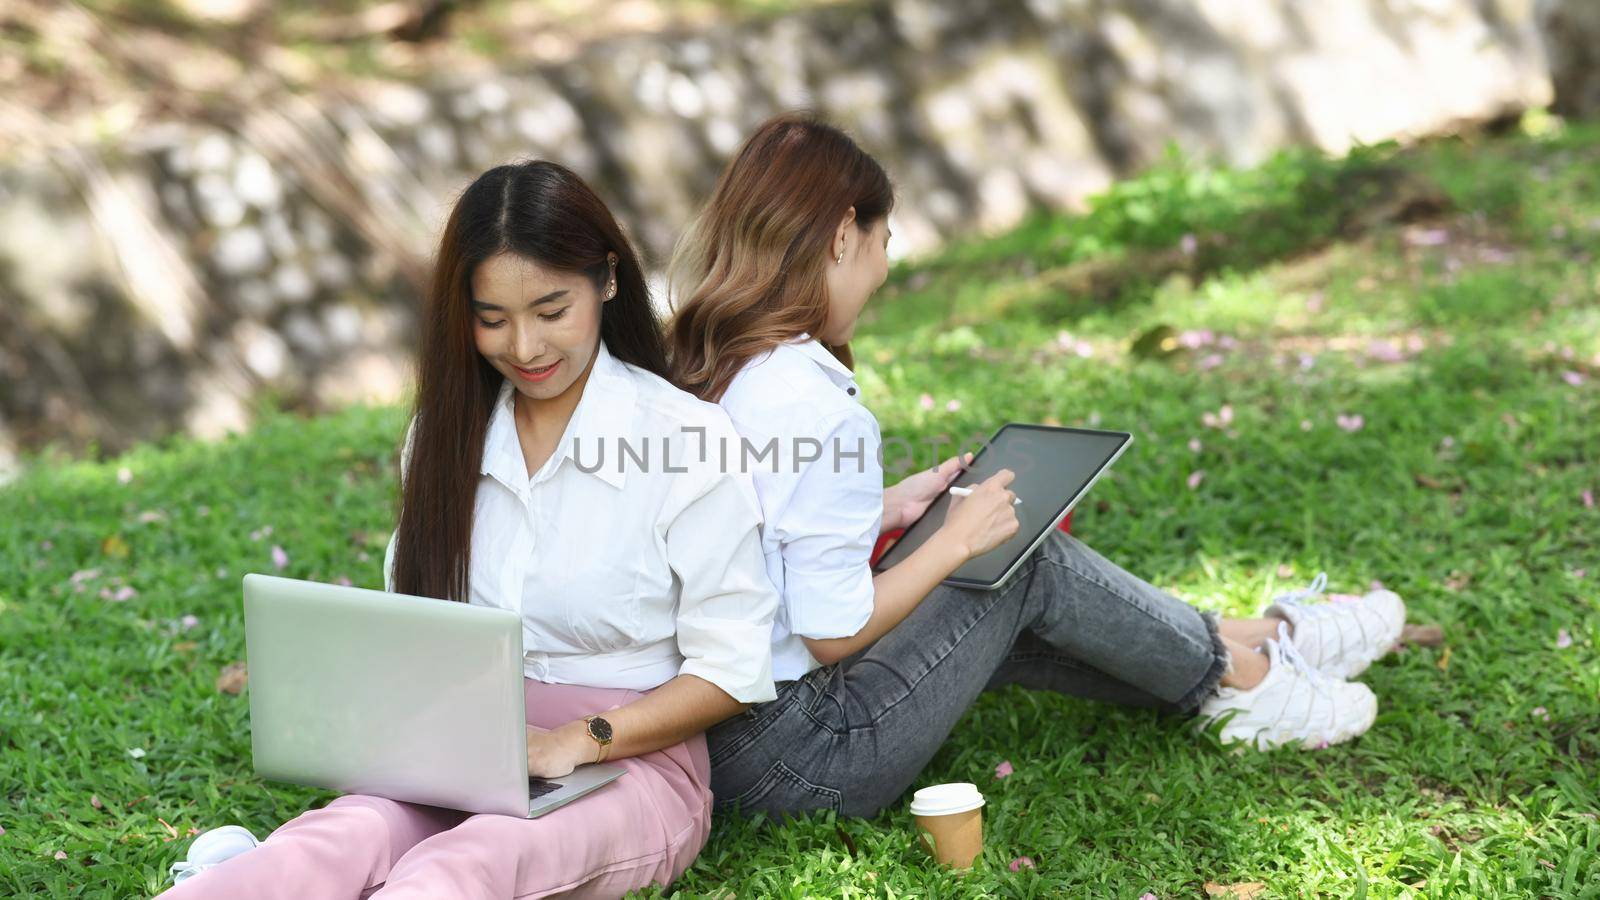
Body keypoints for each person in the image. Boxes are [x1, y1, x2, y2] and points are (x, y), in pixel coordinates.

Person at [665, 113, 1407, 819]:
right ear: (839, 237)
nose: (884, 269)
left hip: (720, 741)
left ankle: (1255, 643)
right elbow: (830, 633)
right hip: (810, 761)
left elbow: (761, 530)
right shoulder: (819, 406)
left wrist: (886, 508)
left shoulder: (707, 365)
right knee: (1024, 567)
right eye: (883, 240)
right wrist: (954, 542)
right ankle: (1245, 677)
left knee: (1006, 601)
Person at [162, 160, 778, 897]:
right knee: (334, 839)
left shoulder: (686, 439)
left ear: (607, 281)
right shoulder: (443, 435)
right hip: (454, 748)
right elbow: (414, 626)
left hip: (631, 764)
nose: (524, 346)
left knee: (469, 864)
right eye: (493, 319)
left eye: (552, 311)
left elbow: (732, 671)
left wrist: (578, 742)